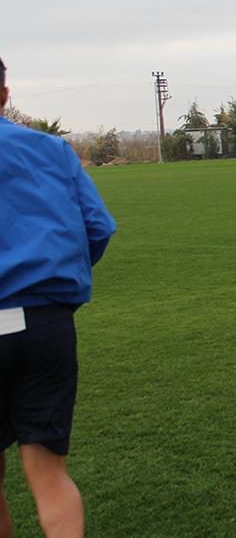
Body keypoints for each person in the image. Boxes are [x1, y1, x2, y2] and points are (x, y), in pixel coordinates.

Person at [0, 56, 116, 537]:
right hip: (46, 324)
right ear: (5, 94)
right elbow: (98, 227)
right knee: (50, 475)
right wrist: (55, 282)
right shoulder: (52, 149)